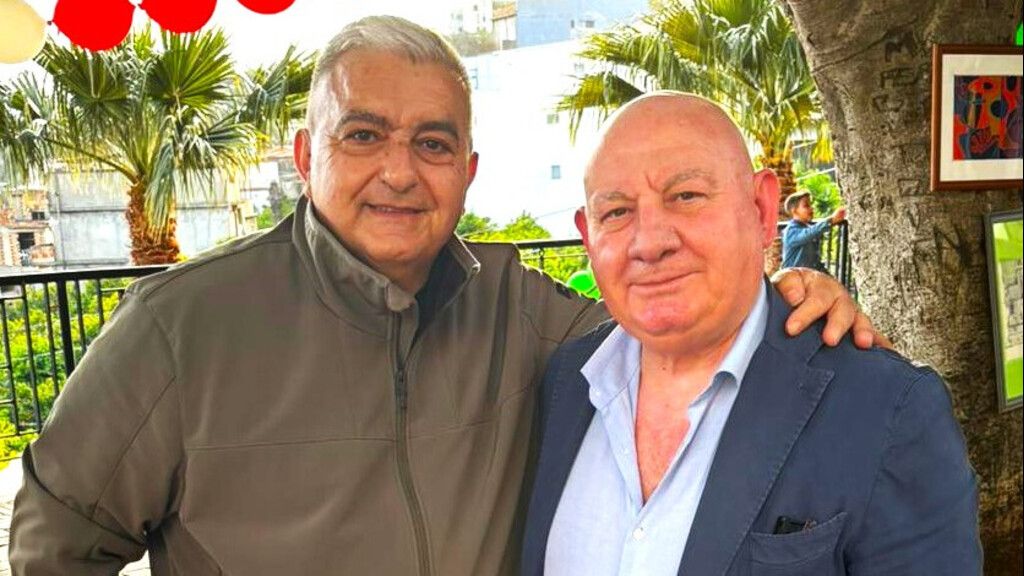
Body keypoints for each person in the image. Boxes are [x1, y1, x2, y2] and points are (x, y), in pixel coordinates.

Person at [11, 18, 879, 576]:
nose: (399, 171)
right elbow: (56, 539)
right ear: (307, 157)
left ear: (467, 172)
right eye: (363, 135)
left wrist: (779, 291)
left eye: (432, 143)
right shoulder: (181, 327)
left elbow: (668, 324)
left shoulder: (519, 309)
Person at [522, 93, 980, 575]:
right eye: (616, 212)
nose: (650, 242)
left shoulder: (888, 407)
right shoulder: (563, 383)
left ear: (762, 209)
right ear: (587, 235)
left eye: (686, 197)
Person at [781, 190, 846, 271]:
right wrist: (831, 220)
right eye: (806, 206)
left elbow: (815, 262)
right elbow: (809, 233)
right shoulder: (790, 231)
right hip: (794, 276)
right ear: (794, 210)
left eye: (811, 205)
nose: (811, 208)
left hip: (808, 275)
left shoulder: (808, 227)